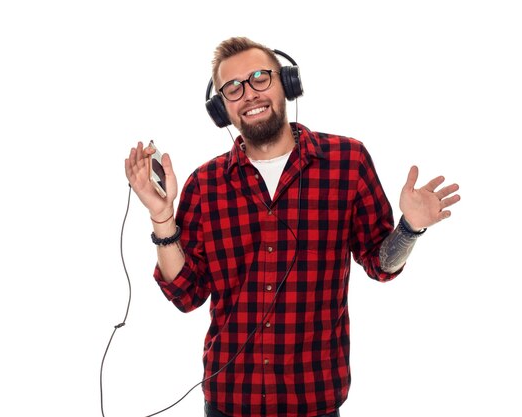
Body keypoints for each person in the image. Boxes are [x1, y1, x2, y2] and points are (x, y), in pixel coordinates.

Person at [124, 37, 460, 417]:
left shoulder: (347, 162)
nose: (248, 94)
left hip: (313, 398)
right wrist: (162, 216)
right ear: (222, 108)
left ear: (287, 83)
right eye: (232, 88)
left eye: (259, 78)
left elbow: (380, 265)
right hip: (230, 400)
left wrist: (410, 228)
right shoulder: (205, 183)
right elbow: (186, 295)